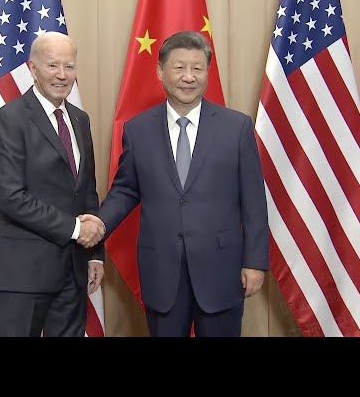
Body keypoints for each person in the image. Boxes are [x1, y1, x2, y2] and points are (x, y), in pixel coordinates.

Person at [83, 30, 269, 337]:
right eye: (179, 67)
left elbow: (254, 200)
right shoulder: (138, 130)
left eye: (197, 68)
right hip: (162, 271)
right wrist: (100, 223)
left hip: (221, 270)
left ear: (207, 73)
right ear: (160, 71)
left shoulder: (236, 127)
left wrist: (256, 261)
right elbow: (126, 189)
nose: (189, 77)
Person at [0, 31, 105, 337]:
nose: (62, 75)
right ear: (33, 69)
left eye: (69, 66)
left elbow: (86, 190)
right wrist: (77, 230)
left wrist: (94, 253)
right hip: (26, 273)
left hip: (74, 270)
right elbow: (11, 198)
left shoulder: (80, 119)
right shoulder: (9, 119)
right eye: (52, 66)